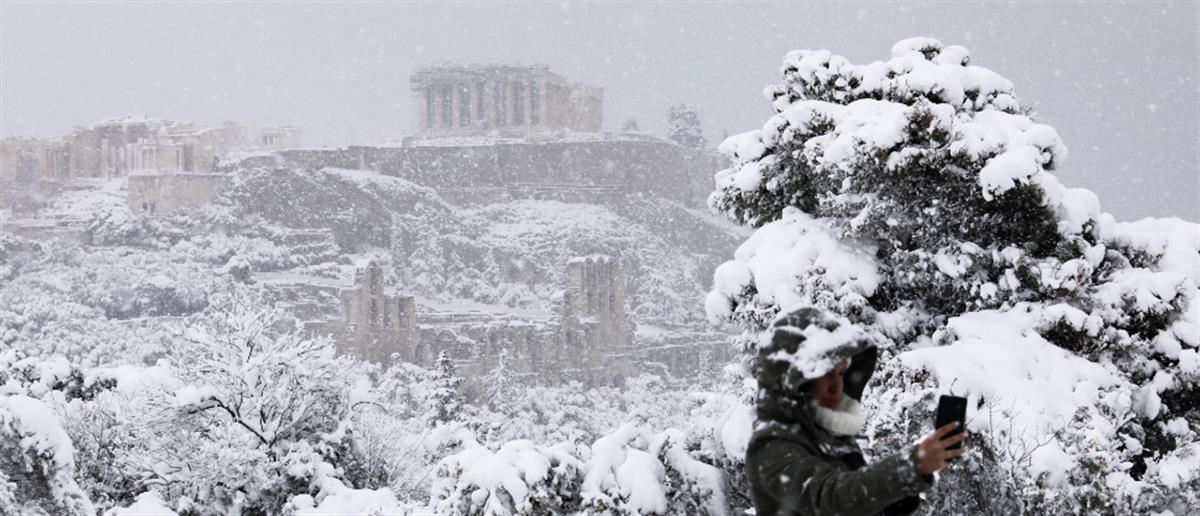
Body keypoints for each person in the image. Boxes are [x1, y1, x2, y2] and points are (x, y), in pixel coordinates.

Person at [745, 306, 967, 516]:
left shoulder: (828, 436)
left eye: (841, 373)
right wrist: (910, 466)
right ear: (792, 380)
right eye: (825, 373)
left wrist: (911, 479)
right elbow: (830, 500)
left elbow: (858, 502)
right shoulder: (771, 446)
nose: (837, 385)